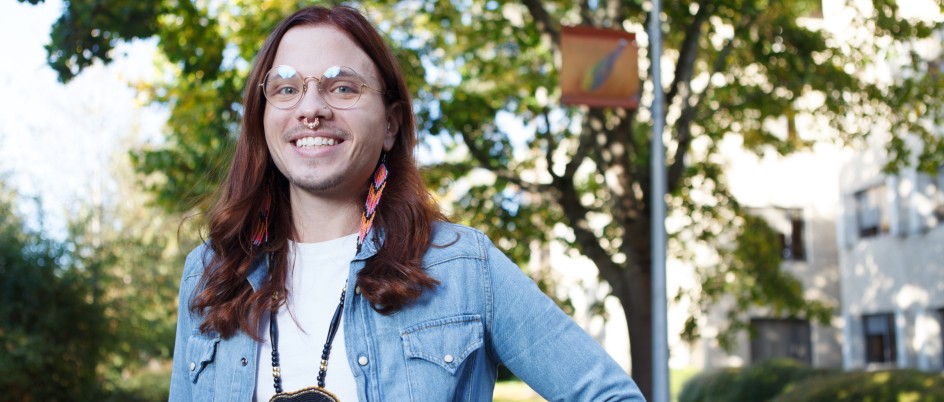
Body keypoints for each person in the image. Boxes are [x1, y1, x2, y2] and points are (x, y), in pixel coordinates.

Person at [169, 5, 645, 402]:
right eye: (287, 88)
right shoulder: (211, 273)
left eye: (342, 87)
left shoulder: (462, 267)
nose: (311, 108)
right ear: (264, 116)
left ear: (392, 123)